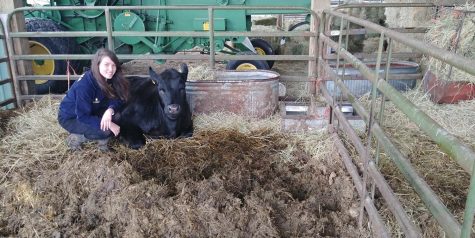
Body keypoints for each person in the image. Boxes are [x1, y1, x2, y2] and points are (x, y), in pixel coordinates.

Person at [58, 48, 128, 151]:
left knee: (117, 116)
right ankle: (76, 138)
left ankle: (102, 143)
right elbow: (82, 116)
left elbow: (119, 98)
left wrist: (110, 110)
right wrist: (110, 125)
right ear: (97, 65)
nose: (111, 69)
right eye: (106, 64)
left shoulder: (108, 78)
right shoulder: (85, 86)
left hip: (92, 109)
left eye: (113, 65)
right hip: (72, 117)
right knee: (106, 130)